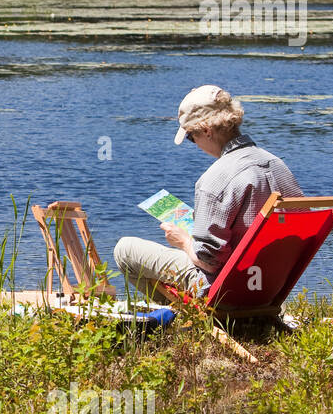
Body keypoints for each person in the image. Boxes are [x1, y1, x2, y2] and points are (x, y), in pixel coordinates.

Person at [114, 85, 302, 302]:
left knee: (125, 250)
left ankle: (192, 319)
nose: (194, 144)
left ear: (206, 130)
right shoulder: (278, 165)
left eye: (191, 137)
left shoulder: (214, 179)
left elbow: (208, 262)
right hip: (271, 286)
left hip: (226, 289)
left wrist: (183, 241)